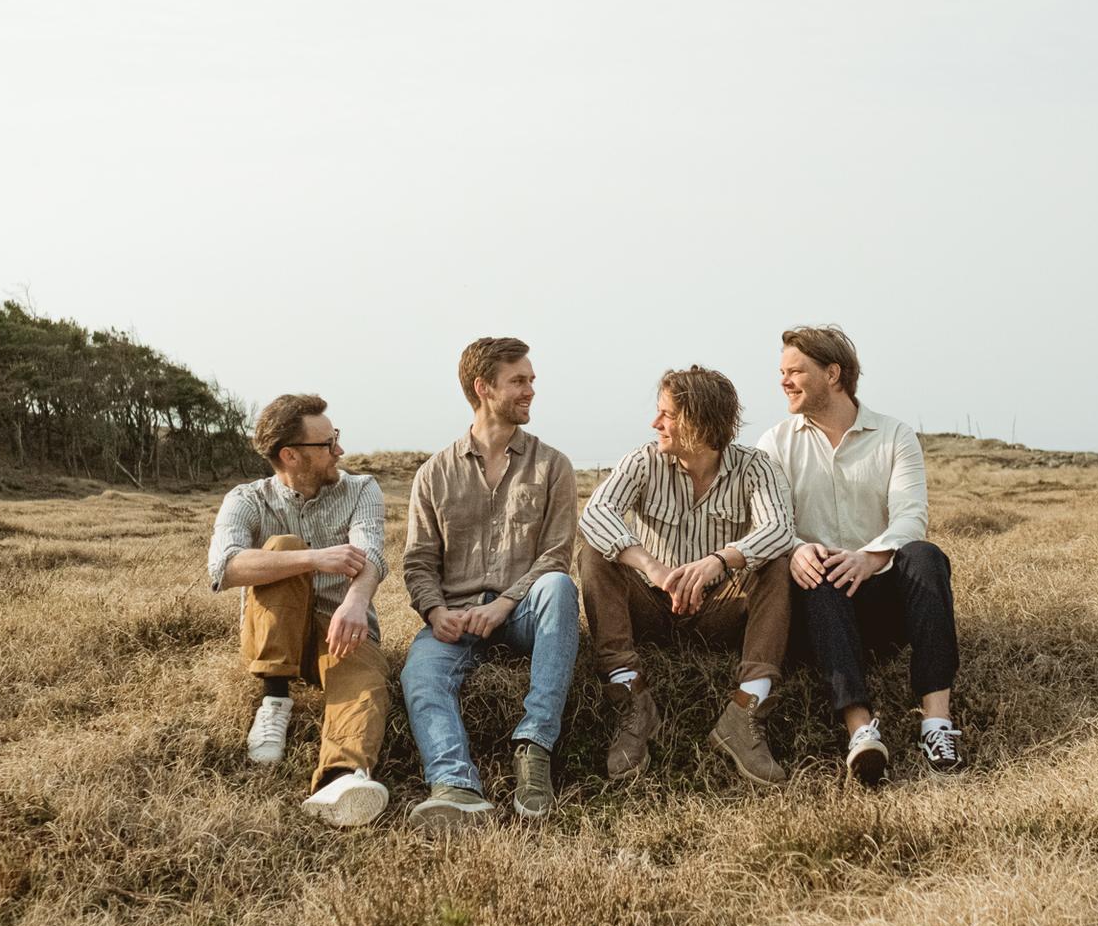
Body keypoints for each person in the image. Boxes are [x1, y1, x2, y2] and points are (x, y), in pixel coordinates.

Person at [756, 326, 963, 785]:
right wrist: (795, 550)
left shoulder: (894, 435)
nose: (784, 381)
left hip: (881, 602)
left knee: (925, 556)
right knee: (819, 569)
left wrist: (868, 559)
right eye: (782, 372)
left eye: (795, 372)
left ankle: (937, 723)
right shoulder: (774, 444)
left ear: (833, 374)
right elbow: (769, 522)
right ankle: (861, 731)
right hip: (817, 611)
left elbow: (911, 516)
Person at [579, 366, 796, 785]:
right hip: (650, 607)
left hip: (719, 612)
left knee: (777, 562)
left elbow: (779, 529)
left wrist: (719, 560)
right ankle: (631, 697)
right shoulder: (644, 460)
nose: (655, 423)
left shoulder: (755, 467)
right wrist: (653, 567)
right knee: (595, 552)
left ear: (700, 422)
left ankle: (746, 709)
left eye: (668, 415)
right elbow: (596, 513)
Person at [400, 338, 580, 828]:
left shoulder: (552, 465)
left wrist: (505, 604)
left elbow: (556, 555)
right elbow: (418, 561)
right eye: (518, 381)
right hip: (455, 615)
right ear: (483, 388)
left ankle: (534, 747)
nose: (530, 390)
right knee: (420, 675)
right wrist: (435, 611)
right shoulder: (433, 473)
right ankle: (455, 786)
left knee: (559, 587)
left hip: (523, 611)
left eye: (531, 380)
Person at [206, 394, 391, 825]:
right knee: (284, 547)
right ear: (290, 455)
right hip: (276, 630)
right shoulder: (247, 499)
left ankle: (341, 779)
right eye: (327, 444)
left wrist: (355, 603)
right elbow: (224, 568)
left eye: (335, 437)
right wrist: (313, 558)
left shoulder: (362, 488)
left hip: (341, 624)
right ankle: (275, 699)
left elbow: (371, 554)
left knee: (364, 680)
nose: (339, 450)